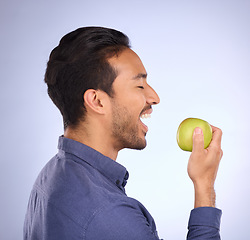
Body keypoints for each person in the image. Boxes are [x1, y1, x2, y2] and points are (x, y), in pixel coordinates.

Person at [24, 27, 223, 240]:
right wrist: (204, 186)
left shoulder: (49, 176)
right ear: (97, 101)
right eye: (139, 85)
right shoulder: (109, 214)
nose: (154, 97)